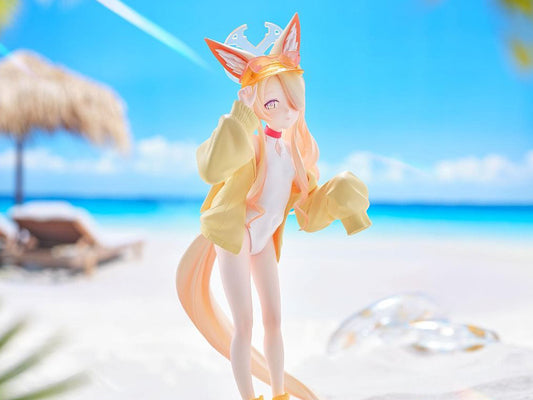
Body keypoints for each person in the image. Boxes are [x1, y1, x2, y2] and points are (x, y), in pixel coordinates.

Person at [176, 13, 371, 400]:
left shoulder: (294, 151)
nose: (288, 111)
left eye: (293, 102)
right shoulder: (250, 143)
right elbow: (211, 167)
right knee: (244, 324)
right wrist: (241, 114)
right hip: (237, 234)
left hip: (263, 238)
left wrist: (342, 195)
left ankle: (280, 393)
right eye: (273, 103)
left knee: (274, 320)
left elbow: (307, 208)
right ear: (256, 104)